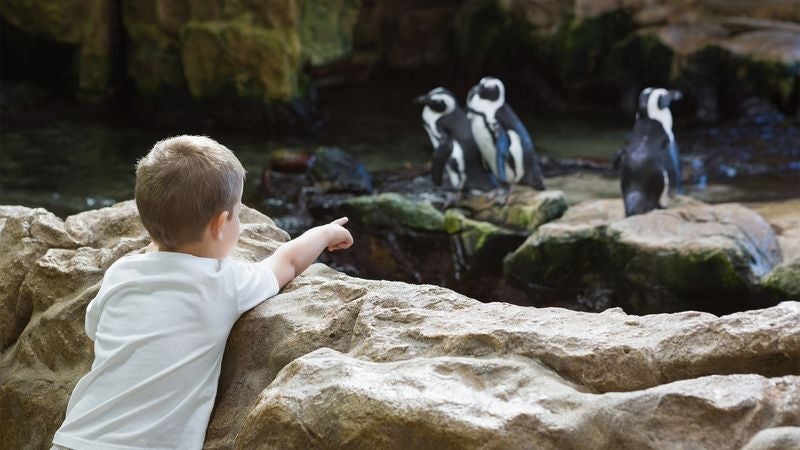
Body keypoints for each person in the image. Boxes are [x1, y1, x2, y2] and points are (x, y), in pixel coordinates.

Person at [52, 135, 353, 450]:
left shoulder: (121, 274)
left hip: (76, 437)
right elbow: (287, 262)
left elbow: (94, 339)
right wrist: (323, 233)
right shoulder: (224, 283)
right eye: (238, 213)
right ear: (221, 223)